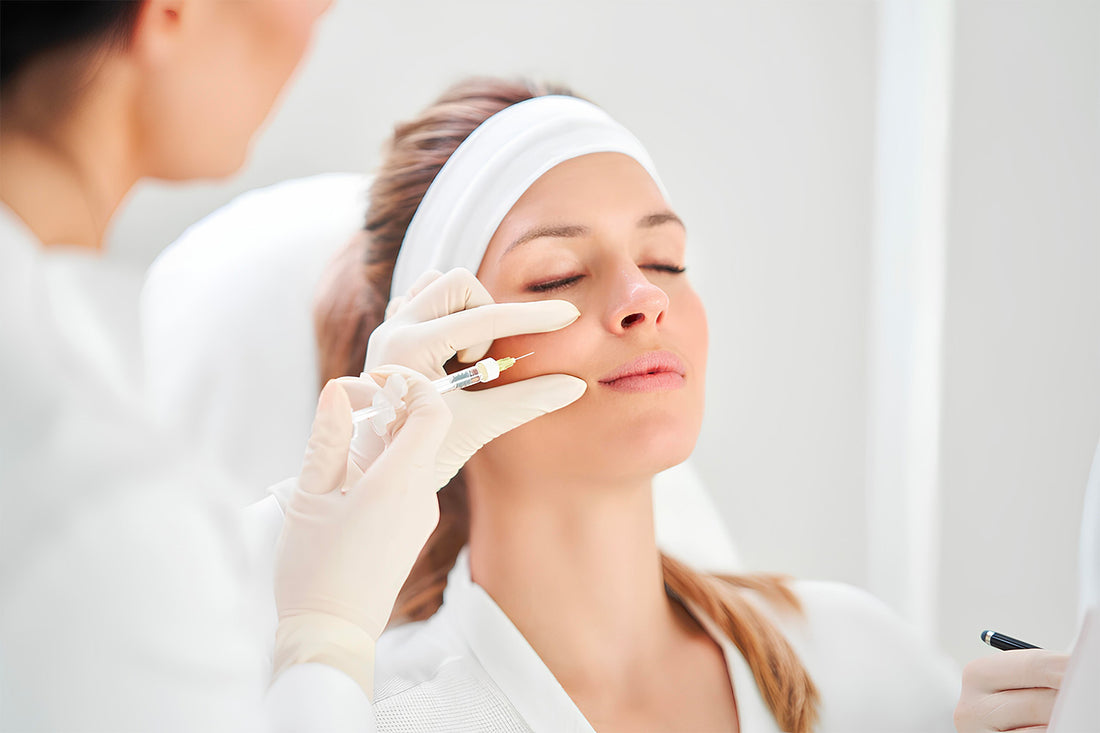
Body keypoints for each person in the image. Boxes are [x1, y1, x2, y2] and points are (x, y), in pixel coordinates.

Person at [313, 77, 960, 732]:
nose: (645, 297)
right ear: (447, 357)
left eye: (665, 261)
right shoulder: (374, 714)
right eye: (557, 274)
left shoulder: (860, 663)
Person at [0, 4, 582, 730]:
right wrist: (327, 635)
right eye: (560, 276)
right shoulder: (95, 494)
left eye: (669, 261)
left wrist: (305, 535)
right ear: (171, 13)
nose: (315, 29)